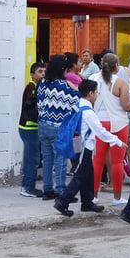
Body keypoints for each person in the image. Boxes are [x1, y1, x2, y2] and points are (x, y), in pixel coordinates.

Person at [54, 79, 127, 217]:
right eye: (96, 92)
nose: (97, 94)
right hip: (85, 147)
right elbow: (100, 132)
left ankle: (87, 203)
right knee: (80, 176)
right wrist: (117, 141)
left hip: (79, 145)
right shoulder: (89, 112)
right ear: (90, 93)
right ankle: (63, 202)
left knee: (89, 174)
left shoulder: (78, 105)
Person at [92, 53, 130, 206]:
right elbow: (128, 107)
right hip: (119, 124)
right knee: (117, 162)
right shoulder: (120, 83)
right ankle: (117, 198)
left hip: (99, 124)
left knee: (97, 161)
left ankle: (94, 196)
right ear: (116, 67)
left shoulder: (93, 79)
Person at [37, 54, 80, 200]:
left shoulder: (43, 82)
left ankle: (47, 190)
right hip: (58, 127)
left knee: (47, 159)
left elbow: (39, 103)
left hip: (42, 125)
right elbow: (77, 101)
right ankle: (61, 190)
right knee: (60, 160)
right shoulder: (64, 85)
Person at [18, 62, 46, 197]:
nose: (43, 74)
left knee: (32, 157)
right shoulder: (32, 87)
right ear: (32, 74)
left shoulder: (36, 86)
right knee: (32, 158)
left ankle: (27, 184)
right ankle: (28, 187)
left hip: (31, 127)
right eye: (40, 72)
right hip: (29, 128)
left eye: (44, 72)